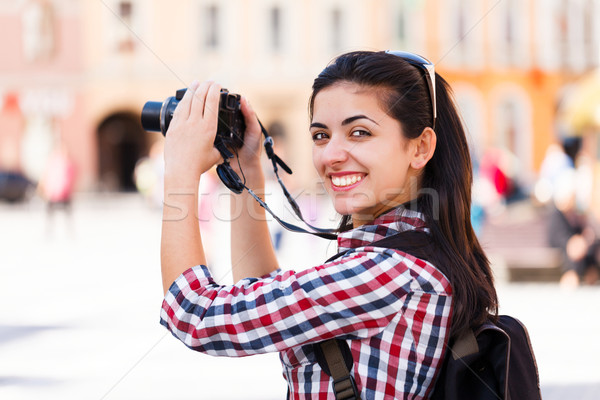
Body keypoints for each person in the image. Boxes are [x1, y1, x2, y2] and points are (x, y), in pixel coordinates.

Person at [159, 50, 498, 399]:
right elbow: (264, 290)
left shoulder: (385, 273)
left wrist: (180, 170)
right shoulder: (417, 254)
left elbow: (194, 315)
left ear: (420, 147)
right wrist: (248, 168)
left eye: (359, 132)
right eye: (321, 135)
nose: (331, 155)